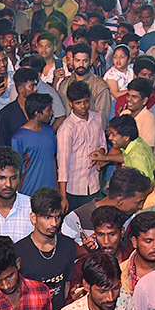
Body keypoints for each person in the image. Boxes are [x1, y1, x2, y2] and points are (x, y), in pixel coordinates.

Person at [15, 187, 78, 310]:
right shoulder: (18, 251)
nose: (54, 223)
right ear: (33, 218)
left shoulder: (68, 245)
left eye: (57, 217)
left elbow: (66, 284)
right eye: (48, 217)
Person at [57, 79, 104, 213]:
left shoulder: (96, 118)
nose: (83, 106)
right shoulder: (67, 128)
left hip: (94, 184)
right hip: (74, 189)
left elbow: (102, 142)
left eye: (86, 101)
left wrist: (101, 152)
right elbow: (63, 165)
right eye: (78, 103)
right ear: (70, 103)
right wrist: (63, 197)